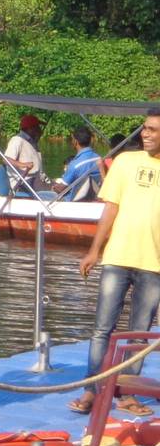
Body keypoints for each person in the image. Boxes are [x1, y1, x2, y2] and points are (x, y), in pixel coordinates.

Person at [69, 108, 160, 416]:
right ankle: (91, 390)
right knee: (102, 328)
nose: (146, 134)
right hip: (118, 257)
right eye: (145, 129)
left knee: (139, 333)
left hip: (154, 264)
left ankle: (128, 392)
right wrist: (95, 251)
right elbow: (110, 210)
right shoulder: (124, 162)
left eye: (153, 130)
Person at [0, 113, 49, 197]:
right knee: (52, 190)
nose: (40, 130)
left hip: (36, 179)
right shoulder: (17, 140)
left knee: (56, 186)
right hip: (24, 182)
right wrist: (24, 165)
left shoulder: (32, 142)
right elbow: (6, 159)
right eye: (37, 127)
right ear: (30, 128)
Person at [55, 126, 104, 201]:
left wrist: (54, 186)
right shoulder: (99, 158)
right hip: (93, 198)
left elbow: (61, 189)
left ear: (75, 141)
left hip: (74, 202)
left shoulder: (74, 165)